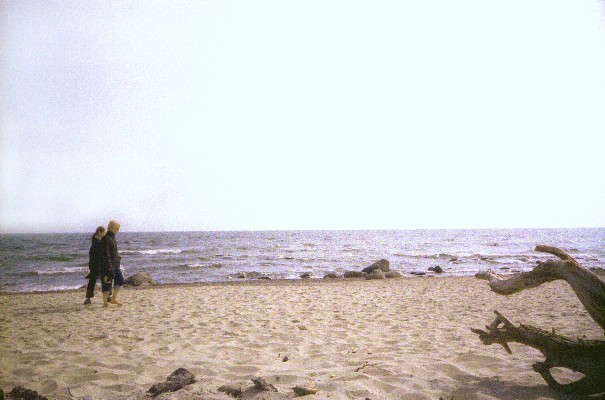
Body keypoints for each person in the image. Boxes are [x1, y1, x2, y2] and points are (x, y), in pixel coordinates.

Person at [100, 220, 124, 307]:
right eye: (117, 228)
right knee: (107, 284)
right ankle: (105, 302)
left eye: (118, 228)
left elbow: (113, 251)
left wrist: (118, 257)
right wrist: (109, 267)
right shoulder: (105, 239)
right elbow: (105, 254)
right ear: (111, 227)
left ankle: (113, 299)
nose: (118, 230)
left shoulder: (113, 238)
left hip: (116, 264)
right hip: (107, 266)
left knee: (120, 280)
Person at [84, 226, 106, 304]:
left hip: (93, 264)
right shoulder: (98, 242)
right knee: (104, 279)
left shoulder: (95, 240)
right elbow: (100, 254)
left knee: (92, 281)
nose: (104, 234)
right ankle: (107, 296)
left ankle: (88, 298)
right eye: (104, 232)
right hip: (97, 264)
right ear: (99, 232)